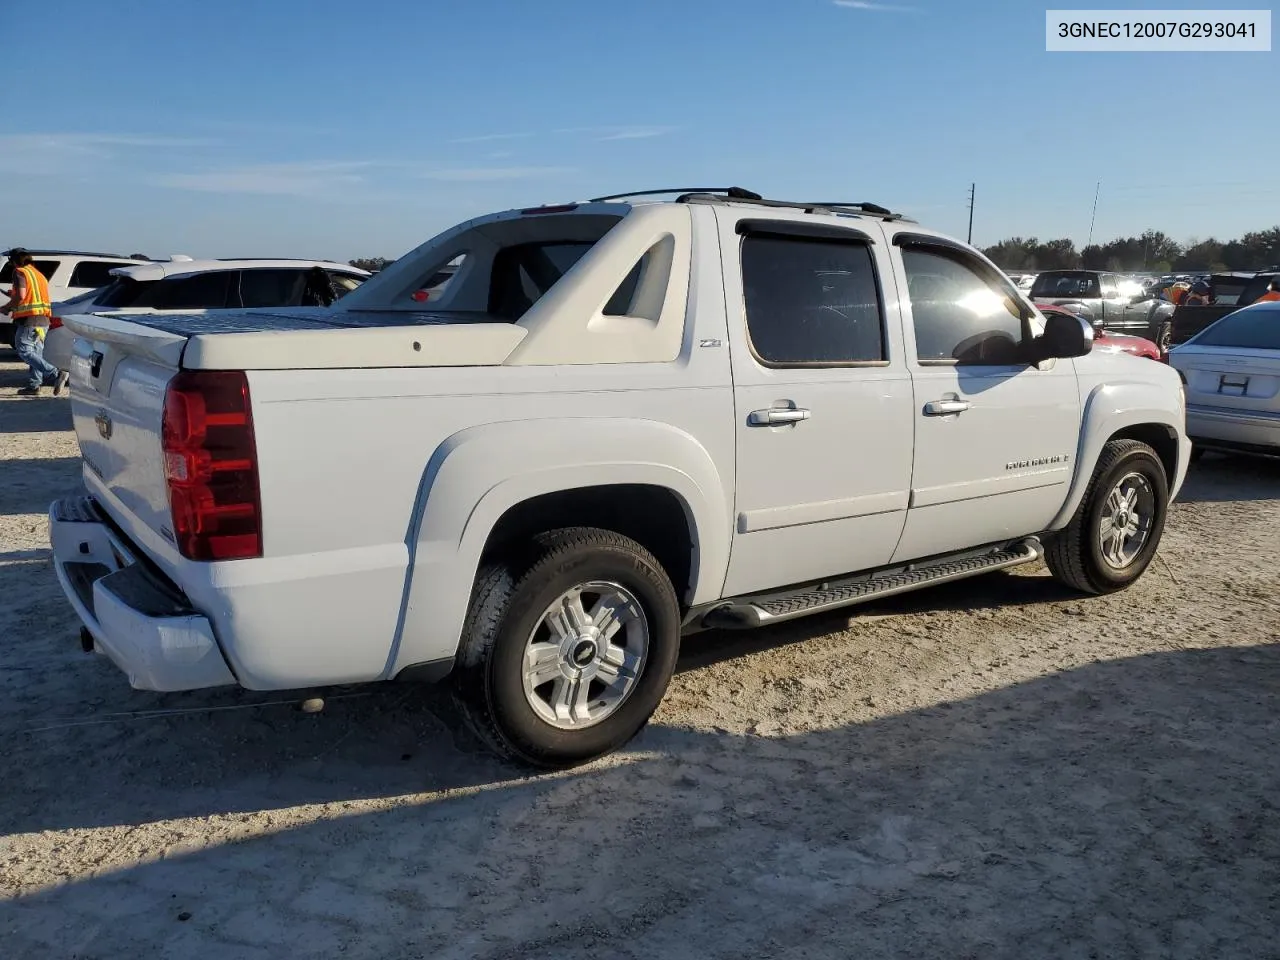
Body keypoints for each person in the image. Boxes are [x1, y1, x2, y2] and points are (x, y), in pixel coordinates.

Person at [2, 248, 67, 396]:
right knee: (36, 353)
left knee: (24, 350)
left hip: (29, 319)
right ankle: (34, 385)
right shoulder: (38, 274)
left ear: (15, 260)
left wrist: (6, 307)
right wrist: (14, 294)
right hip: (43, 319)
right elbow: (31, 294)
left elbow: (21, 297)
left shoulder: (19, 272)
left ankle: (56, 373)